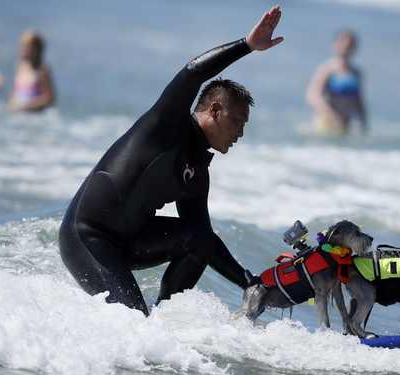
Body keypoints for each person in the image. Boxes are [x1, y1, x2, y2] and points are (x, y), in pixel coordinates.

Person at [59, 6, 284, 316]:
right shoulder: (166, 124)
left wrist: (250, 281)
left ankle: (165, 316)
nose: (241, 133)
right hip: (87, 236)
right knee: (132, 317)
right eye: (239, 122)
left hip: (130, 241)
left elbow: (204, 240)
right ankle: (145, 319)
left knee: (198, 239)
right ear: (215, 110)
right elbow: (192, 72)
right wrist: (246, 44)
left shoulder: (198, 171)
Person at [305, 30, 368, 134]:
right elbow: (312, 96)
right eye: (342, 42)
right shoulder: (327, 69)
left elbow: (358, 100)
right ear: (334, 44)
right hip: (325, 123)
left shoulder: (356, 73)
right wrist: (332, 117)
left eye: (350, 43)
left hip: (346, 123)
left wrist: (364, 122)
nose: (346, 45)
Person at [8, 29, 55, 112]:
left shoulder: (42, 70)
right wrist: (12, 104)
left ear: (38, 48)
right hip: (17, 115)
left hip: (34, 117)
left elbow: (49, 99)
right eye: (22, 45)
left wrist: (26, 106)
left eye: (28, 46)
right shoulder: (18, 66)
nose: (24, 48)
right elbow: (13, 91)